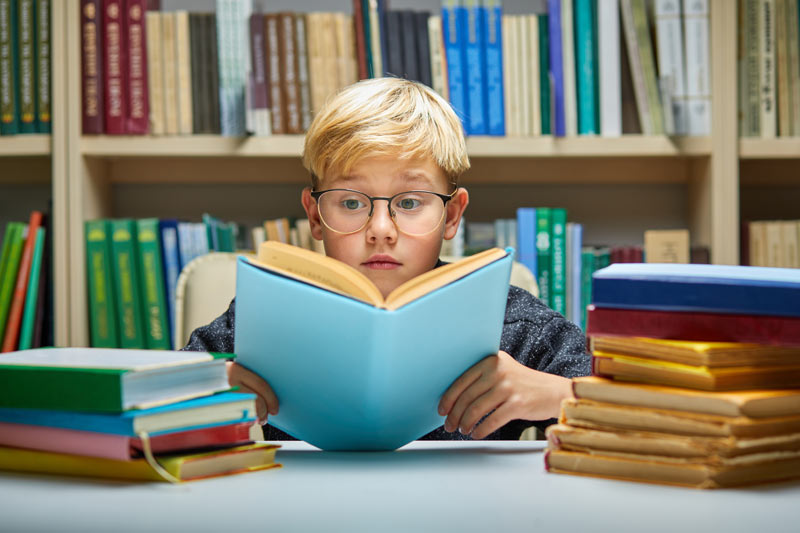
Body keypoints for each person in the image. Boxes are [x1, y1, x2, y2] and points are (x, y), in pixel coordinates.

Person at [183, 77, 590, 441]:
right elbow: (155, 402)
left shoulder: (513, 321)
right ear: (315, 215)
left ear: (451, 215)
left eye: (410, 202)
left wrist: (557, 395)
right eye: (351, 202)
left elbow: (629, 417)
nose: (381, 228)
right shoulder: (262, 318)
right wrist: (207, 399)